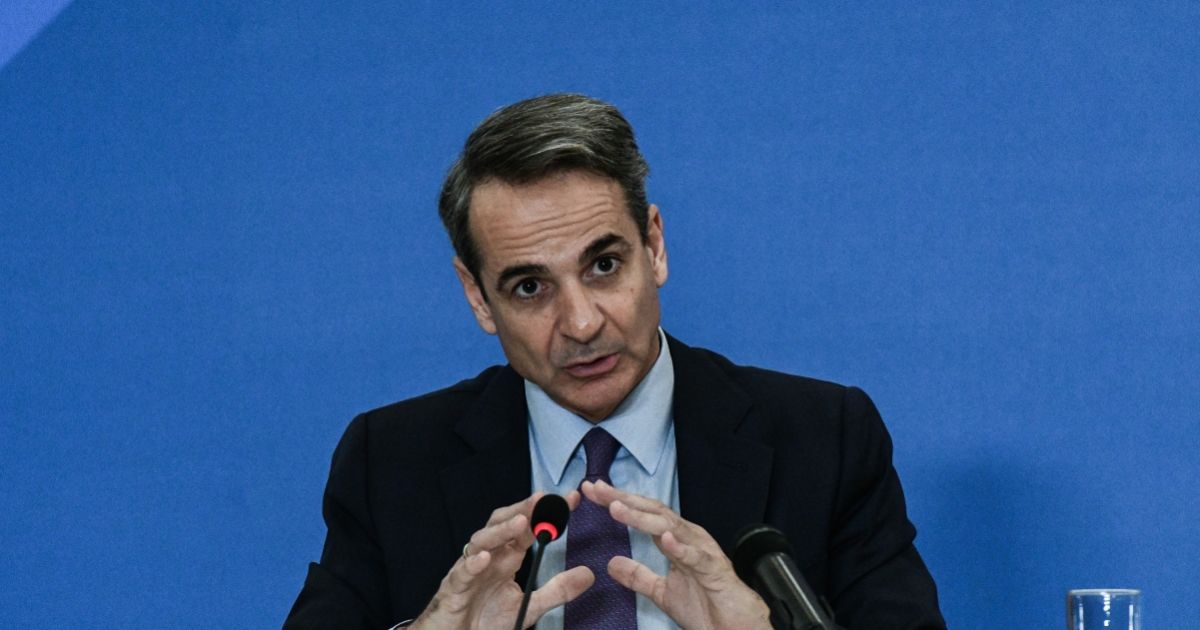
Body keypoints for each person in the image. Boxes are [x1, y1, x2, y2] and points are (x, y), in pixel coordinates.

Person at [284, 93, 945, 629]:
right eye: (529, 287)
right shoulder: (390, 462)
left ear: (653, 247)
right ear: (478, 297)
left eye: (603, 265)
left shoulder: (825, 439)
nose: (581, 323)